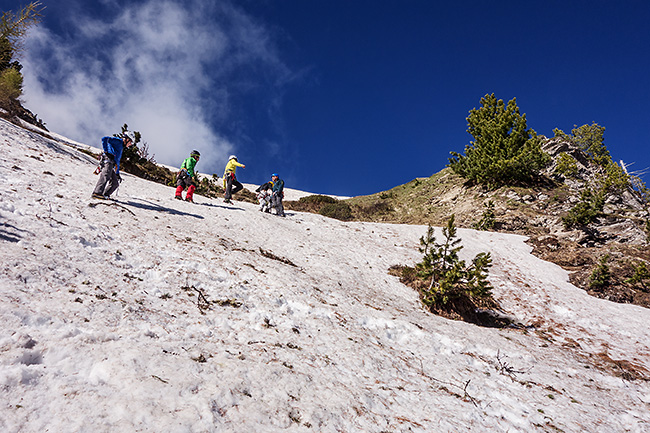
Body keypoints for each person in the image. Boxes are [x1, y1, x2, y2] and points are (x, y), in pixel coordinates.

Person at [91, 131, 135, 199]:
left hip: (111, 163)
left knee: (115, 183)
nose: (130, 144)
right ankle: (97, 193)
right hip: (107, 160)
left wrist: (117, 173)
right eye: (130, 142)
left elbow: (117, 161)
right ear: (127, 139)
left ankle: (105, 195)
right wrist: (106, 151)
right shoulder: (118, 141)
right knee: (106, 176)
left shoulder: (121, 148)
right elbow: (104, 139)